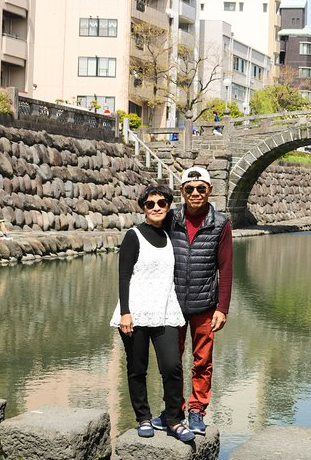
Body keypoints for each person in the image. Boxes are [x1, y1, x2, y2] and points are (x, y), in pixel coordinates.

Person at [109, 185, 195, 442]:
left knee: (172, 366)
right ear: (143, 208)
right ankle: (143, 418)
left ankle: (174, 421)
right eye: (150, 204)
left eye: (162, 203)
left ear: (169, 206)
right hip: (135, 312)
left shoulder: (170, 235)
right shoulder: (133, 235)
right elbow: (123, 276)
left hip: (165, 310)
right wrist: (125, 312)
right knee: (137, 367)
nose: (156, 207)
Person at [152, 167, 233, 436]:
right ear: (182, 192)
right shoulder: (171, 218)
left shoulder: (220, 223)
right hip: (171, 304)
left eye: (200, 188)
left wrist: (222, 308)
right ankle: (172, 410)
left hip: (205, 306)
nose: (195, 193)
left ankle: (197, 410)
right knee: (170, 362)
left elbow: (226, 267)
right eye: (189, 189)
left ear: (209, 190)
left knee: (202, 362)